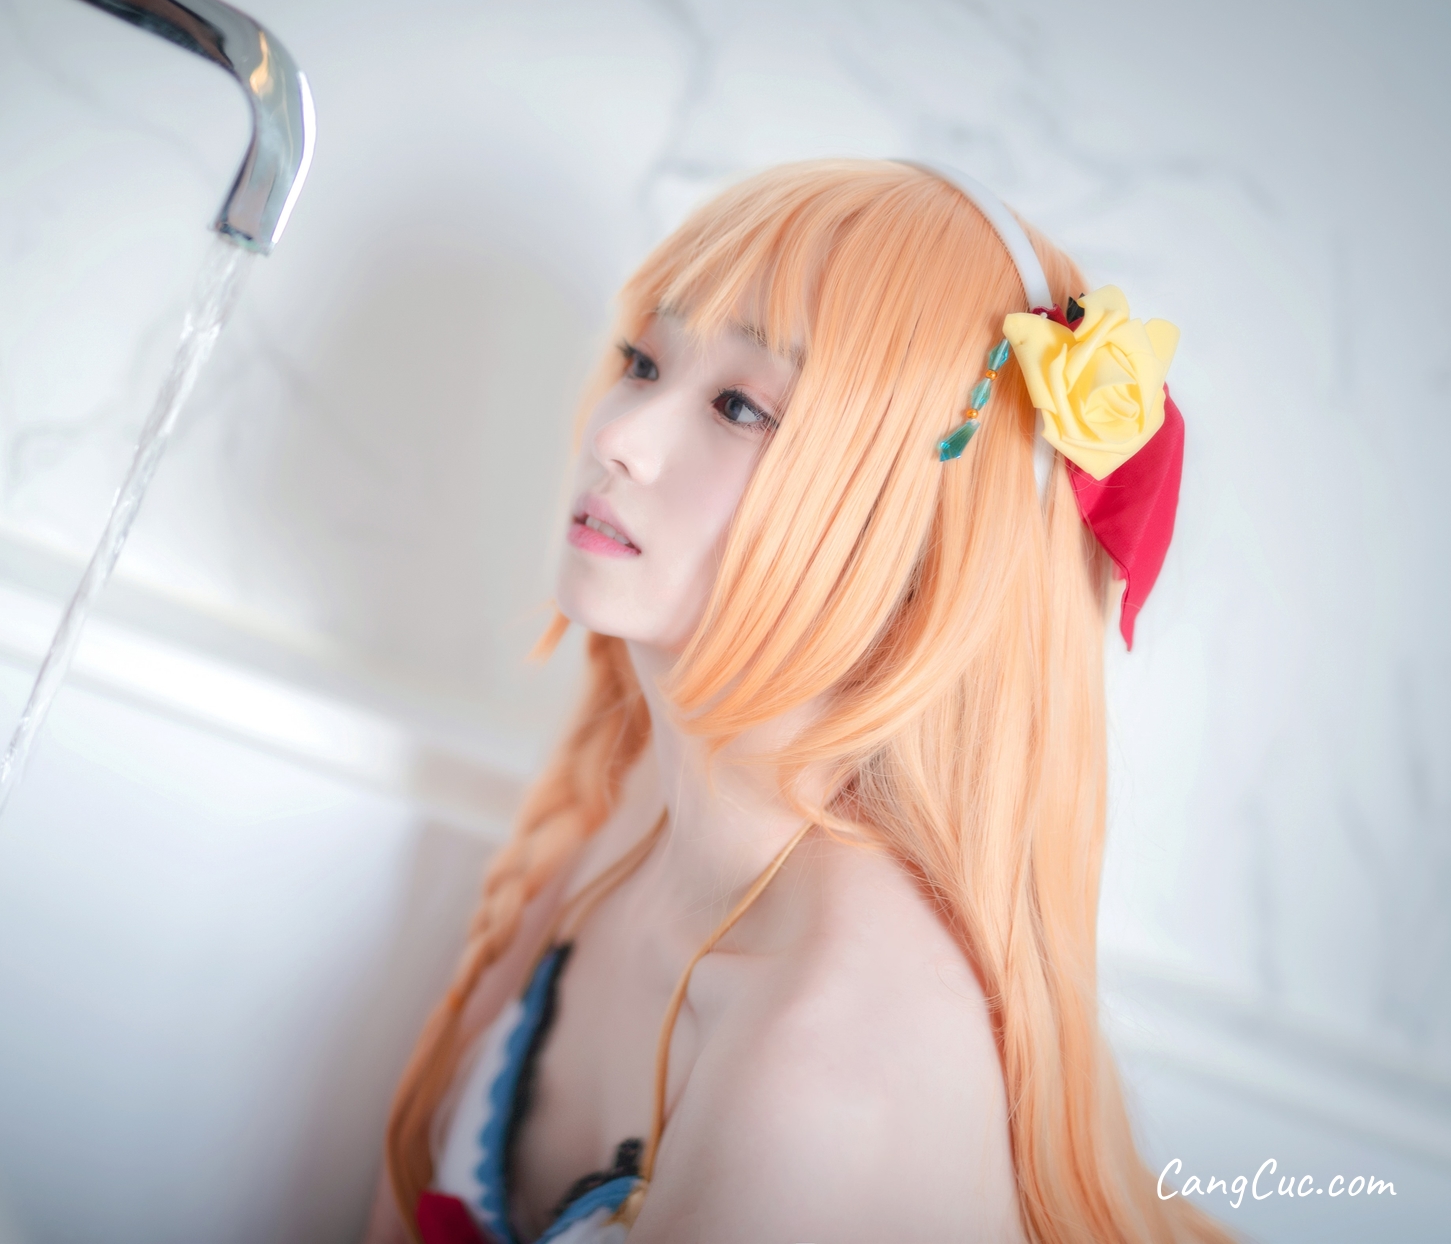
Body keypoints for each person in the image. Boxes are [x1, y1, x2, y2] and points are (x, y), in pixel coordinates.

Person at [360, 159, 1222, 1244]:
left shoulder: (827, 1074)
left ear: (916, 535)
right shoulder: (640, 806)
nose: (619, 436)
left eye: (739, 406)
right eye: (642, 361)